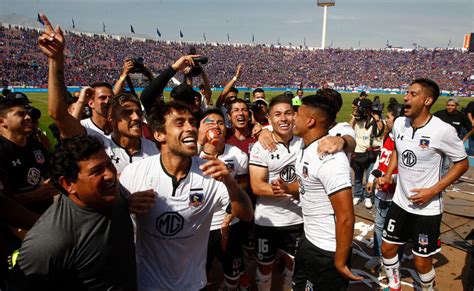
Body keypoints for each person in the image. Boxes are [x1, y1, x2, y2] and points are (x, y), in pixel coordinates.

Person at [119, 102, 253, 290]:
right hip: (147, 283)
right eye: (180, 123)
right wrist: (126, 205)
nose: (191, 128)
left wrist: (230, 183)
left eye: (192, 122)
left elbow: (246, 214)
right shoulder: (134, 173)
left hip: (193, 284)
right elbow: (111, 222)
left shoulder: (211, 173)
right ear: (159, 134)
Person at [377, 78, 469, 291]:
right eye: (407, 92)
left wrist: (433, 190)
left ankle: (427, 288)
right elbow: (398, 151)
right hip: (400, 203)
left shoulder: (443, 130)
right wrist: (388, 175)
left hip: (427, 210)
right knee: (388, 248)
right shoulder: (400, 123)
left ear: (427, 100)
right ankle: (394, 285)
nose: (406, 97)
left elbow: (462, 164)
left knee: (421, 262)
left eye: (413, 94)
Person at [14, 135, 137, 290]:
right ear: (67, 184)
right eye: (96, 171)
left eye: (109, 164)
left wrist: (132, 202)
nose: (111, 175)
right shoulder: (49, 242)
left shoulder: (113, 195)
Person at [40, 16, 159, 174]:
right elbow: (59, 115)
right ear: (112, 120)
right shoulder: (99, 145)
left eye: (138, 112)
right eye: (127, 113)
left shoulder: (156, 148)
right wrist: (56, 59)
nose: (136, 117)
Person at [271, 94, 362, 290]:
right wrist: (288, 188)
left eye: (298, 113)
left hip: (327, 250)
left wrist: (339, 260)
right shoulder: (305, 147)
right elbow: (307, 186)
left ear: (310, 121)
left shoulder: (330, 160)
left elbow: (346, 216)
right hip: (309, 240)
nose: (293, 118)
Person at [249, 95, 303, 291]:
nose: (284, 118)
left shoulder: (305, 142)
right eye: (277, 114)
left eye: (288, 113)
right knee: (265, 267)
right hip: (267, 220)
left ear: (295, 116)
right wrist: (286, 189)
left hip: (297, 219)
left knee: (293, 264)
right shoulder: (261, 145)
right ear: (270, 119)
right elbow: (256, 185)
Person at [199, 108, 249, 290]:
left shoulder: (238, 155)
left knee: (233, 269)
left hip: (230, 222)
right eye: (209, 122)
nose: (216, 126)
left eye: (220, 122)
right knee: (199, 269)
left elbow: (242, 190)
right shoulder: (191, 154)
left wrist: (230, 214)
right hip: (199, 225)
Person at [364, 102, 405, 273]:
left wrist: (390, 178)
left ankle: (394, 261)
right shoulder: (388, 137)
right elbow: (381, 160)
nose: (385, 120)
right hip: (382, 193)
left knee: (397, 232)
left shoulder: (406, 142)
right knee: (379, 226)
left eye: (388, 117)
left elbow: (408, 173)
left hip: (397, 196)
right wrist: (373, 178)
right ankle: (379, 256)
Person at [350, 98, 384, 208]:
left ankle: (368, 196)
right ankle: (357, 195)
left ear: (368, 110)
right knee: (358, 177)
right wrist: (354, 118)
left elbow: (382, 130)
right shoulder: (358, 120)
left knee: (370, 176)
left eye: (361, 109)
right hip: (358, 153)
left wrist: (377, 119)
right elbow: (349, 130)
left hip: (371, 154)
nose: (359, 111)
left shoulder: (375, 120)